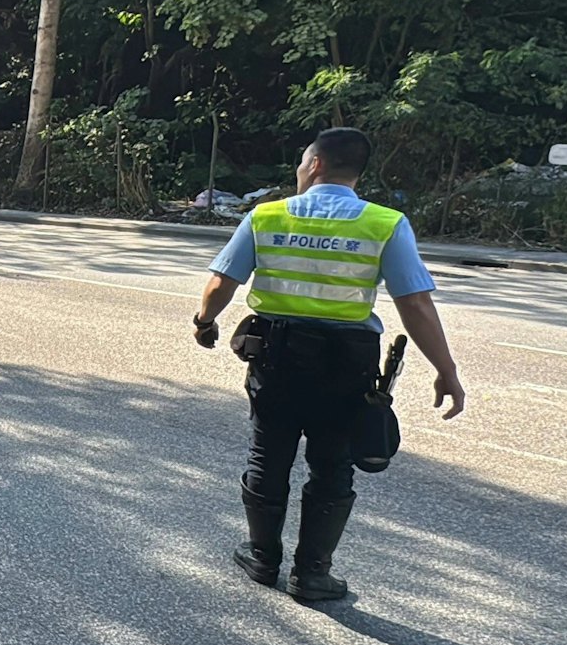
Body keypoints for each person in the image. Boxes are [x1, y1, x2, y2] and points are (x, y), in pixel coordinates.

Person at [192, 127, 465, 601]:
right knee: (333, 463)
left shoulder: (266, 216)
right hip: (347, 363)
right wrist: (446, 369)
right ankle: (312, 573)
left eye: (301, 162)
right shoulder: (385, 223)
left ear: (315, 164)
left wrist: (204, 321)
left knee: (268, 453)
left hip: (276, 357)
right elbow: (415, 304)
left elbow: (221, 282)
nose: (299, 170)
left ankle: (262, 557)